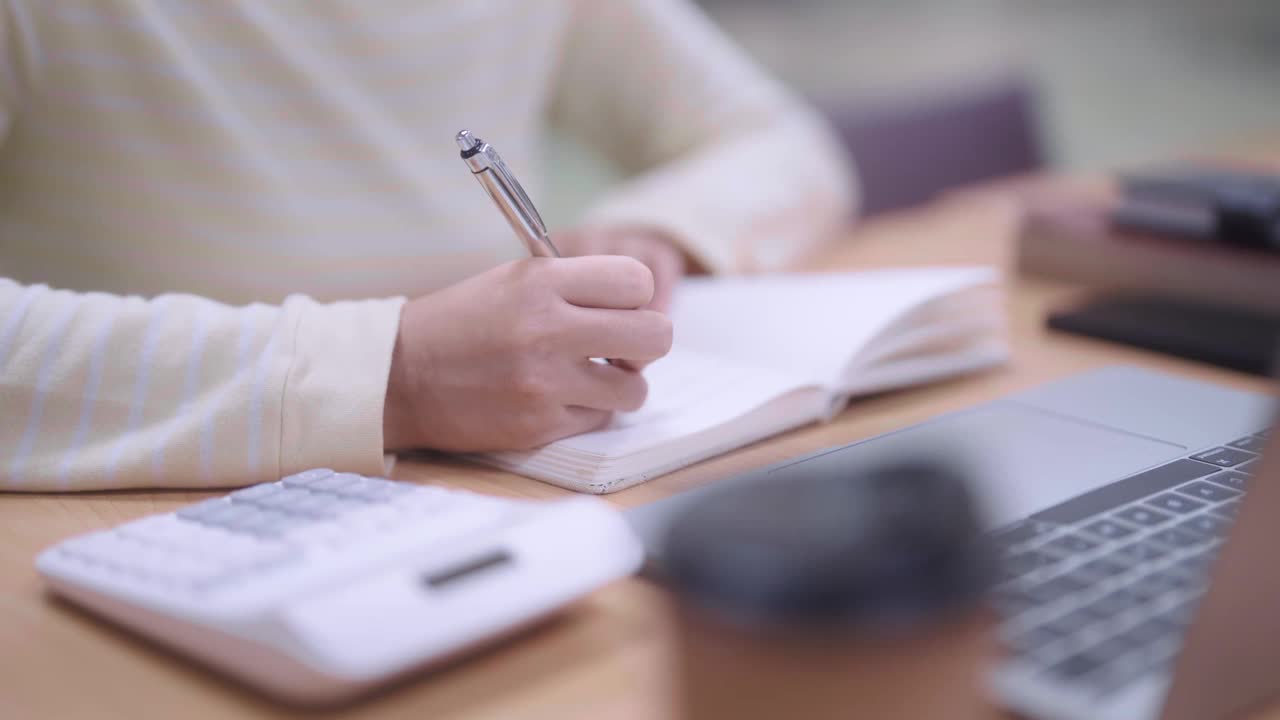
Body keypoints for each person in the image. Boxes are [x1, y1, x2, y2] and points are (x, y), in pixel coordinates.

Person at [0, 0, 854, 491]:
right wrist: (394, 376)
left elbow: (779, 141)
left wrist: (658, 229)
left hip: (493, 504)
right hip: (157, 533)